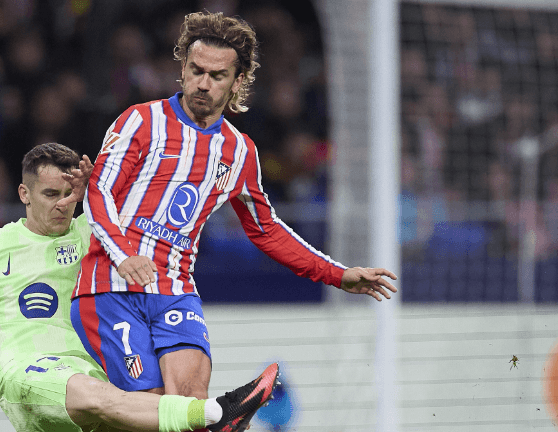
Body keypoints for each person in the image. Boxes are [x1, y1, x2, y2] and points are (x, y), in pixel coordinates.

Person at [0, 142, 280, 432]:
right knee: (105, 398)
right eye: (50, 195)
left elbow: (144, 199)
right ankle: (216, 414)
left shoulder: (93, 233)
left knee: (142, 406)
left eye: (69, 195)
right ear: (24, 195)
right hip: (26, 375)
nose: (62, 205)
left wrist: (101, 186)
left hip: (86, 374)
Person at [71, 10, 398, 409]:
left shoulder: (239, 151)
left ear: (238, 81)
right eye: (196, 71)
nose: (203, 83)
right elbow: (99, 191)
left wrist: (337, 274)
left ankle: (216, 418)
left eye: (217, 75)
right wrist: (124, 255)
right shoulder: (141, 120)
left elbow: (266, 229)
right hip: (110, 286)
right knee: (152, 408)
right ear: (183, 68)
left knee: (190, 401)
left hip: (175, 290)